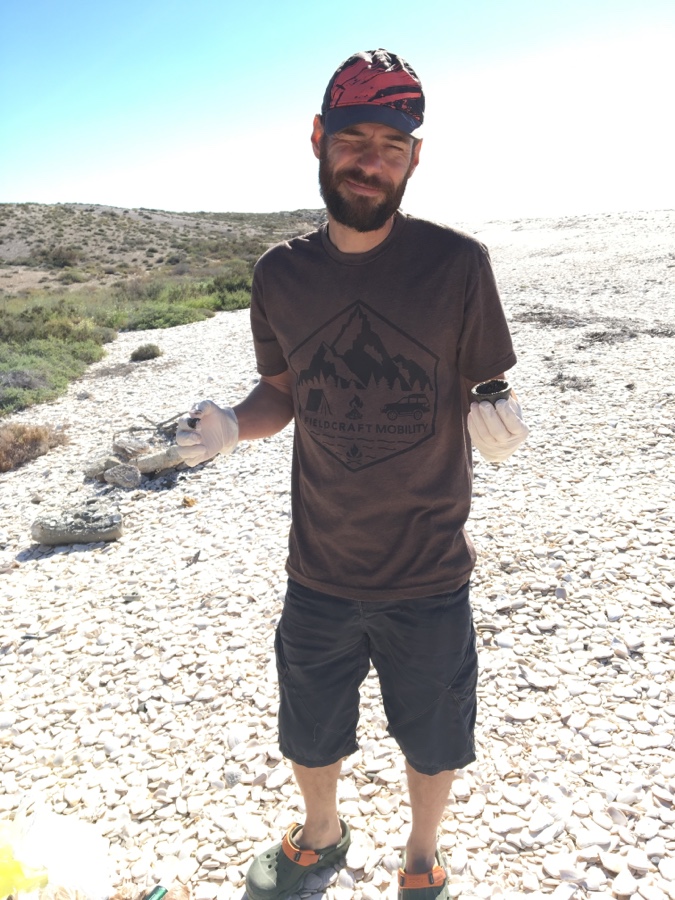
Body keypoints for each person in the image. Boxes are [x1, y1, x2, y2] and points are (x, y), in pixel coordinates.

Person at [176, 48, 529, 900]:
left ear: (415, 158)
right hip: (319, 568)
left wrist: (496, 418)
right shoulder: (280, 273)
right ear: (317, 138)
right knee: (308, 727)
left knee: (435, 735)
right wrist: (233, 426)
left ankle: (421, 855)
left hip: (429, 571)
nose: (371, 162)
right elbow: (280, 392)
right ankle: (321, 833)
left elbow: (486, 384)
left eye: (391, 146)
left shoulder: (457, 264)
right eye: (353, 139)